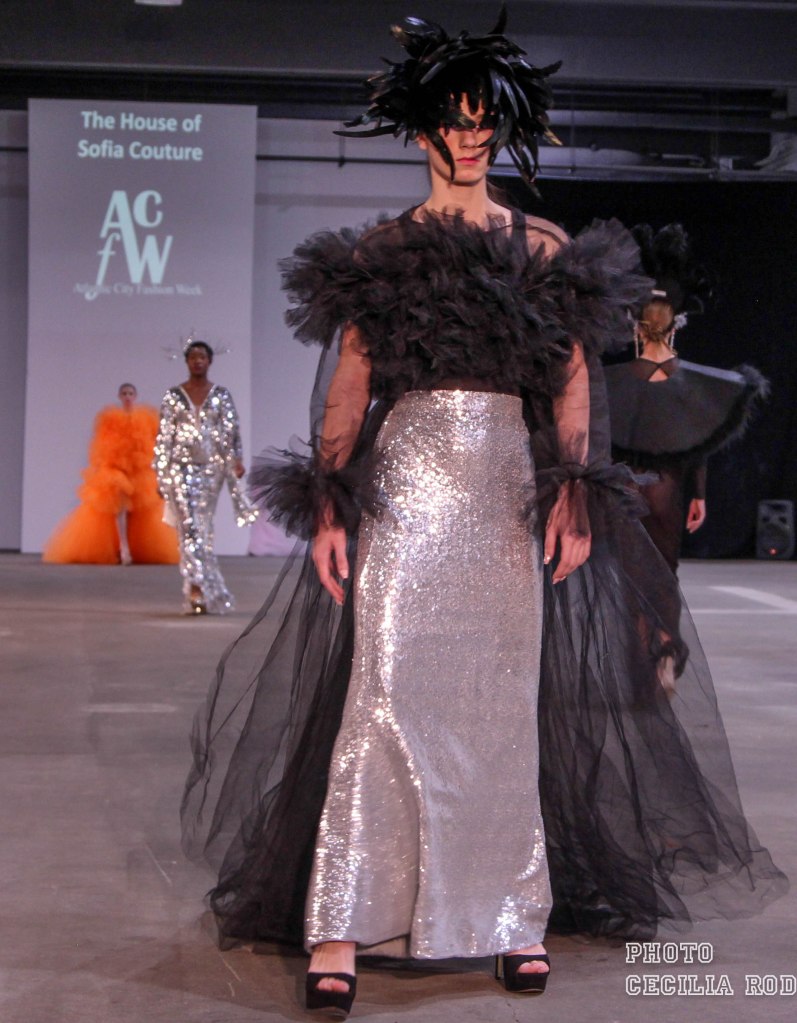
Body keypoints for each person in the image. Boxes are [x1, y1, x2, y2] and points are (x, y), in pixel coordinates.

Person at [181, 12, 786, 1019]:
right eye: (451, 119)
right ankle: (343, 921)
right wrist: (329, 509)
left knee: (500, 707)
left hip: (505, 490)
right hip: (406, 488)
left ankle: (508, 917)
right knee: (381, 695)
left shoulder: (542, 247)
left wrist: (574, 495)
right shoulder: (383, 250)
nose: (467, 136)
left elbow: (571, 383)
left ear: (500, 130)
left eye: (481, 121)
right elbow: (350, 387)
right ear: (420, 128)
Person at [605, 223, 767, 574]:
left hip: (623, 488)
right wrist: (699, 494)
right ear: (675, 325)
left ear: (636, 326)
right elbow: (697, 439)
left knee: (628, 576)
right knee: (664, 572)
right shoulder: (692, 384)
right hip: (668, 488)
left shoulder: (609, 382)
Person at [154, 338, 257, 614]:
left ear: (210, 361)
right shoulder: (174, 395)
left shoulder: (220, 395)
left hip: (212, 469)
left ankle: (198, 583)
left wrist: (236, 459)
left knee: (202, 526)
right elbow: (164, 436)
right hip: (179, 467)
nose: (197, 361)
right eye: (193, 357)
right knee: (188, 525)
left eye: (202, 357)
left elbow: (232, 430)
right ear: (186, 361)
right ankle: (197, 587)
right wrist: (161, 472)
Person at [43, 382, 178, 565]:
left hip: (139, 472)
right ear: (120, 396)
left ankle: (131, 548)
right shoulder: (110, 419)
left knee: (136, 512)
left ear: (135, 396)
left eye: (130, 393)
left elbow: (153, 443)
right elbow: (102, 444)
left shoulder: (146, 419)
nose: (128, 397)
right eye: (124, 393)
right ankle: (124, 548)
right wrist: (104, 464)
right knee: (119, 508)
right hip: (116, 470)